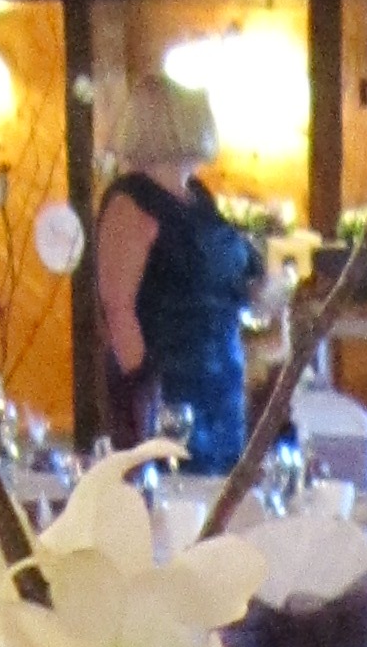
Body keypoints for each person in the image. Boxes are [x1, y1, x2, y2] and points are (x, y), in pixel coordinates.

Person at [95, 77, 260, 467]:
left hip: (222, 387)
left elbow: (223, 279)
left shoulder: (198, 197)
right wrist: (145, 399)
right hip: (171, 392)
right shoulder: (131, 203)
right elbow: (118, 309)